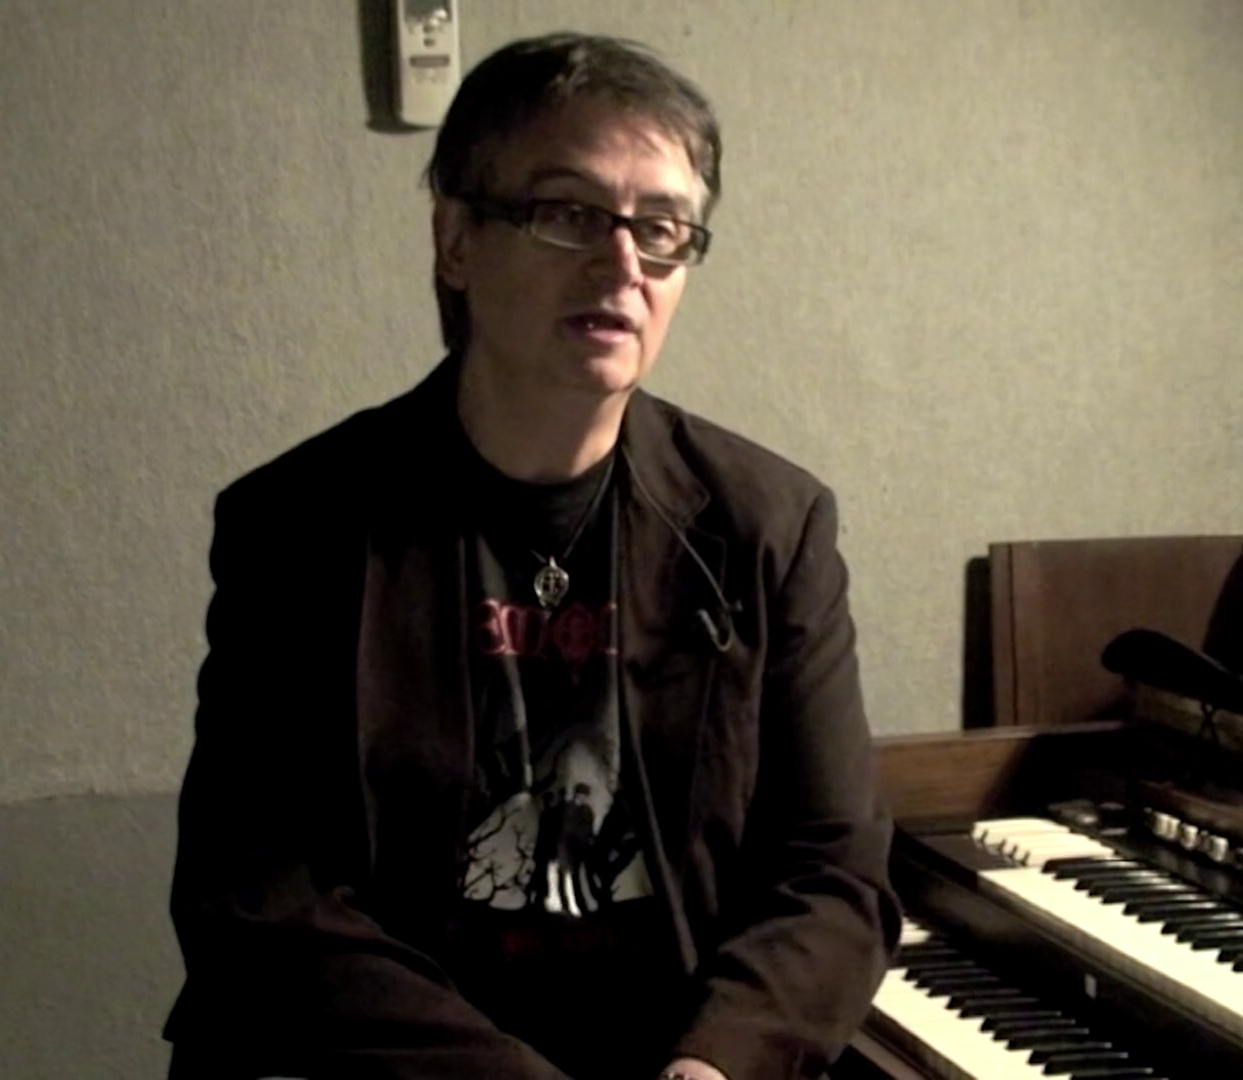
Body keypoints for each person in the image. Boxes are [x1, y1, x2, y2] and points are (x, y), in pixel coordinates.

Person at [163, 32, 898, 1080]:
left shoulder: (770, 523)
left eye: (662, 228)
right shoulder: (300, 524)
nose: (623, 265)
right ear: (456, 239)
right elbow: (257, 896)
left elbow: (833, 870)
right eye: (569, 214)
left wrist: (716, 1064)